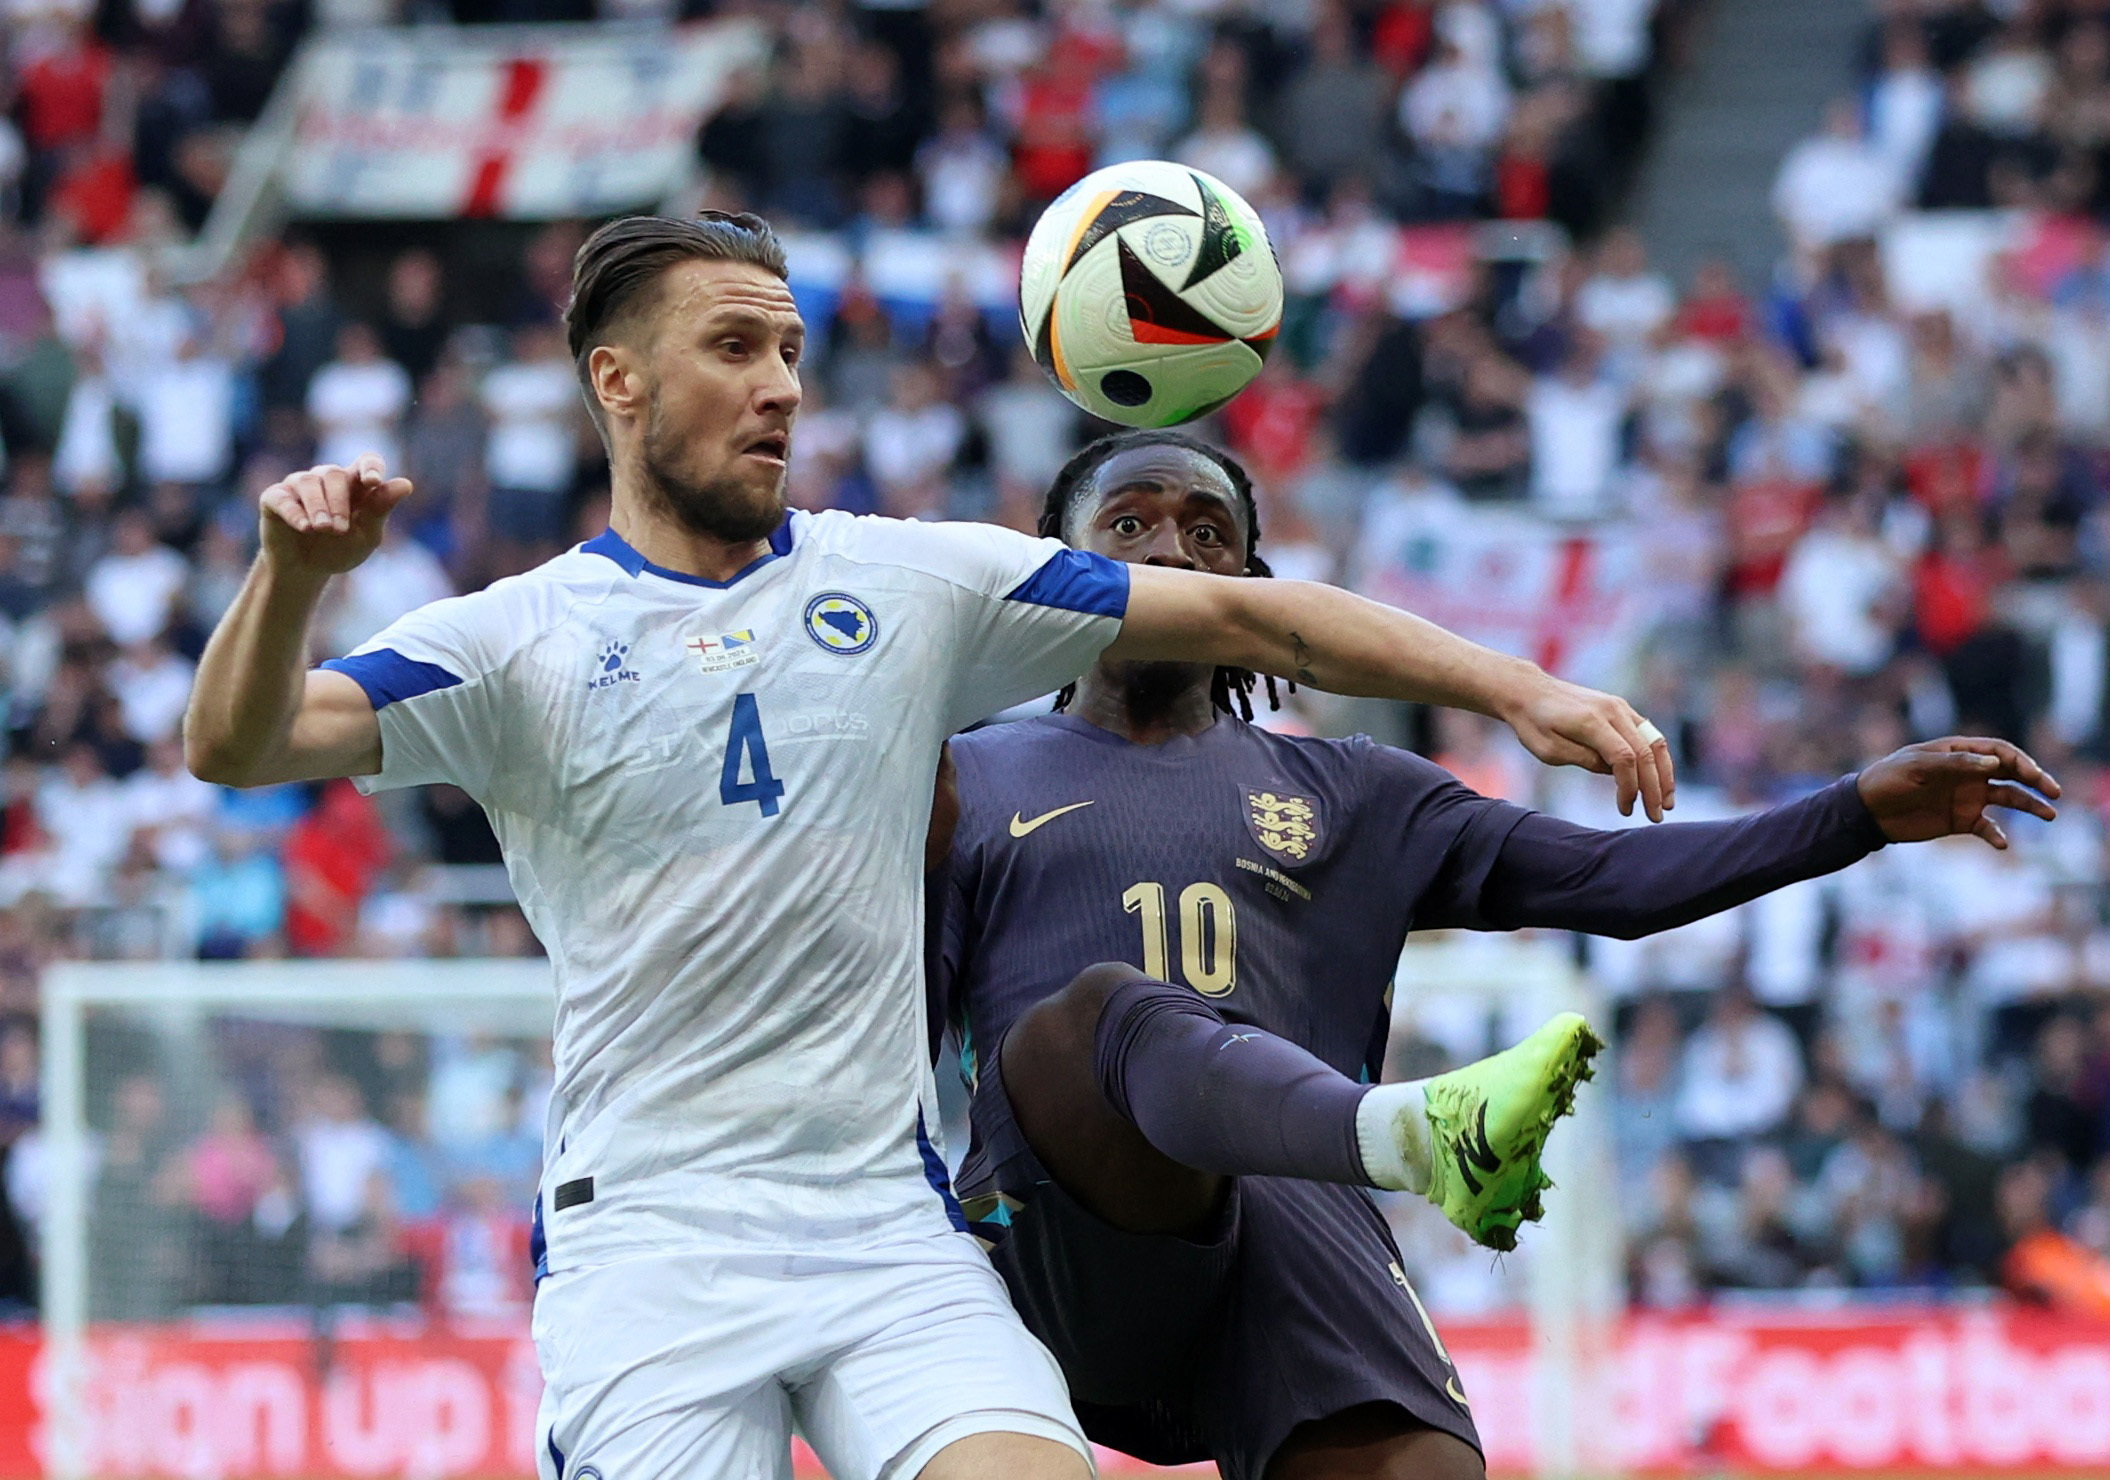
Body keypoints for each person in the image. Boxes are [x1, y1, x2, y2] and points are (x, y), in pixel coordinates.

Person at [179, 213, 1676, 1480]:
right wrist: (288, 578)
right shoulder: (515, 642)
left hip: (883, 1226)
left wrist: (1519, 688)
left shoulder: (905, 583)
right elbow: (240, 744)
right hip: (649, 1244)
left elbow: (1245, 613)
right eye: (732, 348)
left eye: (788, 352)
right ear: (616, 381)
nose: (778, 386)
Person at [927, 428, 2063, 1480]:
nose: (1173, 552)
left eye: (1209, 534)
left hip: (1292, 1236)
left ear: (1257, 590)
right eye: (1129, 525)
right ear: (1052, 565)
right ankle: (1413, 1134)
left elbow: (1614, 881)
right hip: (1060, 1242)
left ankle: (1396, 1146)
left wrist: (1851, 813)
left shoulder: (1355, 792)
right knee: (1113, 1012)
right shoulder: (961, 778)